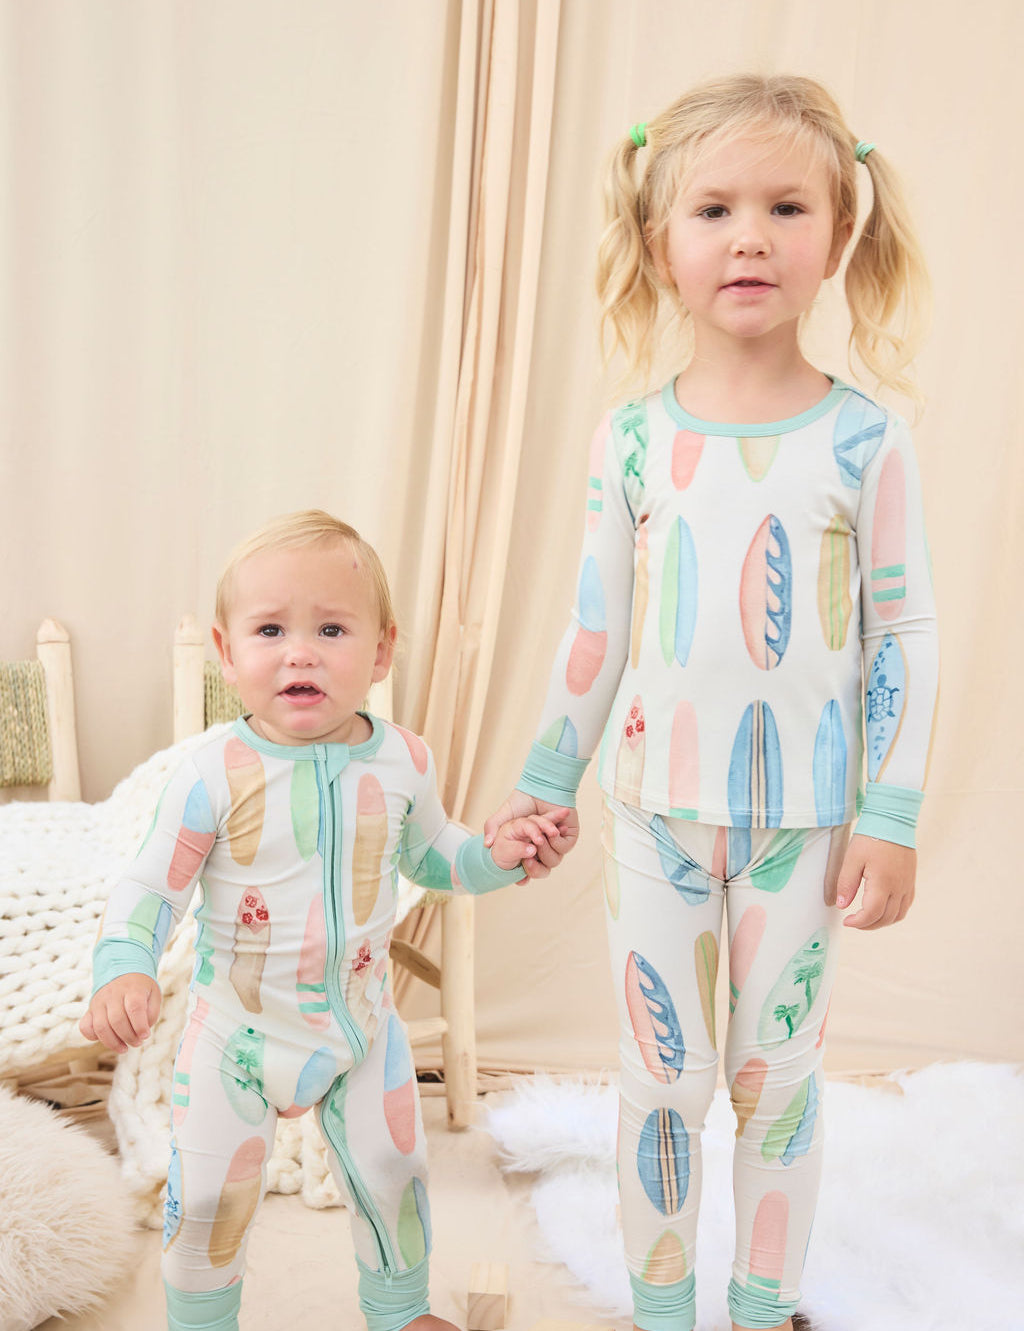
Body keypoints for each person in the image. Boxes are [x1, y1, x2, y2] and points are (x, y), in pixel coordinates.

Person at [484, 74, 938, 1331]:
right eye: (714, 209)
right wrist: (540, 779)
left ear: (837, 235)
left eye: (786, 206)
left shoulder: (865, 440)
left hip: (807, 819)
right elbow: (596, 630)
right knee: (661, 1077)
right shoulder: (631, 442)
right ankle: (664, 1306)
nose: (749, 236)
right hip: (653, 818)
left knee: (776, 1078)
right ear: (657, 244)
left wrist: (890, 812)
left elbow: (904, 628)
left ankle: (763, 1303)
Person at [80, 509, 572, 1331]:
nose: (300, 651)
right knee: (208, 1197)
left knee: (392, 1174)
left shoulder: (405, 760)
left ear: (380, 650)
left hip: (361, 1027)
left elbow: (434, 857)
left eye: (331, 628)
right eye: (270, 629)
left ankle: (399, 1310)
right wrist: (123, 963)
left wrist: (498, 852)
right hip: (236, 1037)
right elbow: (149, 886)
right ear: (227, 650)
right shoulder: (211, 772)